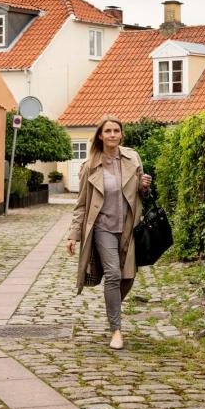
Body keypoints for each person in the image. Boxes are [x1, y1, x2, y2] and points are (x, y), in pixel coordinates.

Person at [66, 115, 152, 350]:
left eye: (116, 130)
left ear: (121, 134)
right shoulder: (90, 166)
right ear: (100, 136)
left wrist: (144, 187)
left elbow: (141, 196)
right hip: (103, 228)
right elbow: (82, 204)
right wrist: (74, 234)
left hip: (128, 226)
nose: (113, 134)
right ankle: (116, 329)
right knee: (113, 274)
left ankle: (111, 304)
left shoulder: (132, 158)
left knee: (128, 276)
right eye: (108, 131)